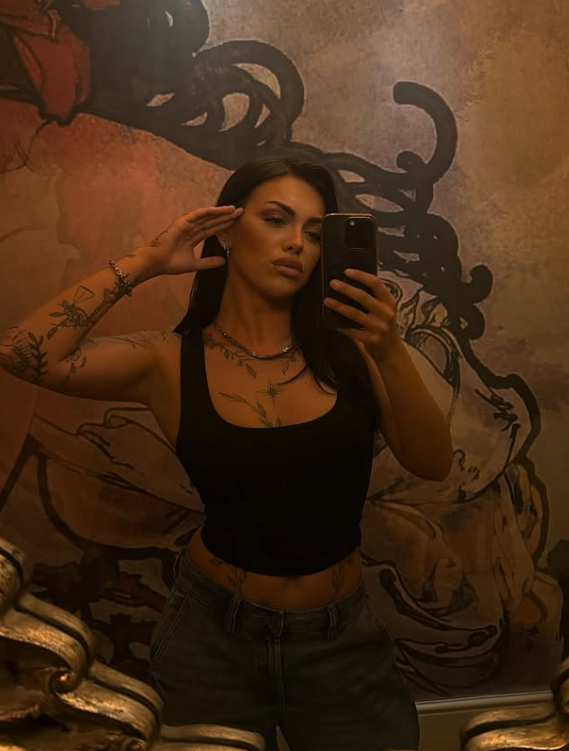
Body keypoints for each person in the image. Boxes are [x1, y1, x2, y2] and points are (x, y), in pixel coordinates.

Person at [0, 155, 453, 751]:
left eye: (315, 233)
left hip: (340, 640)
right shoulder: (168, 360)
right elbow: (22, 352)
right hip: (210, 638)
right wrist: (147, 261)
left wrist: (390, 348)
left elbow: (432, 463)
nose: (297, 244)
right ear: (227, 231)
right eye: (276, 219)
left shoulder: (354, 349)